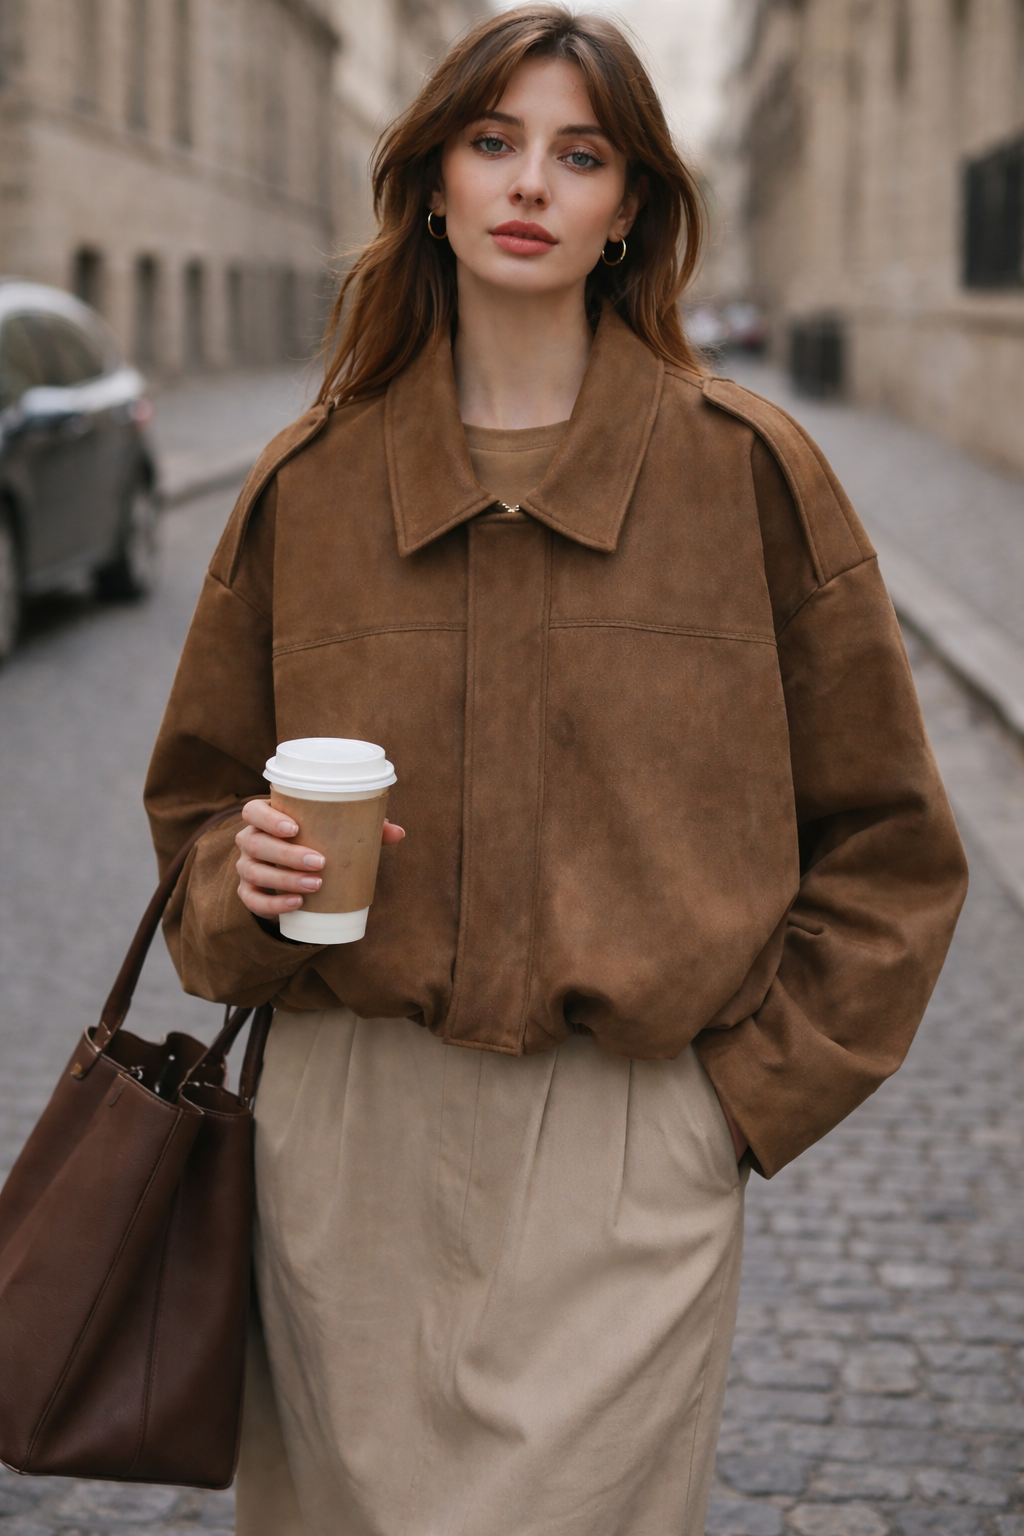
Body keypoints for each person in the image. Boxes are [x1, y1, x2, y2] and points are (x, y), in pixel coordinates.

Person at [144, 7, 968, 1533]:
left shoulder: (749, 475)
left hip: (631, 1159)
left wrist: (725, 1112)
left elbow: (894, 849)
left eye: (579, 155)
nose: (531, 185)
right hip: (347, 1159)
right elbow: (195, 813)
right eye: (493, 141)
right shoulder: (310, 486)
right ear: (435, 186)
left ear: (628, 209)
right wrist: (233, 881)